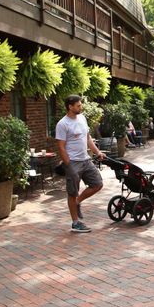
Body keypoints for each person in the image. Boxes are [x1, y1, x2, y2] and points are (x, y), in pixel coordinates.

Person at [56, 95, 104, 233]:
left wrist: (97, 152)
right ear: (70, 107)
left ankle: (78, 202)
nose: (80, 107)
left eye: (80, 105)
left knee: (97, 184)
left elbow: (88, 138)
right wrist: (68, 165)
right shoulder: (63, 124)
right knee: (72, 192)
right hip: (73, 162)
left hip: (86, 160)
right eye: (78, 105)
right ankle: (75, 222)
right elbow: (61, 147)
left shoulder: (82, 118)